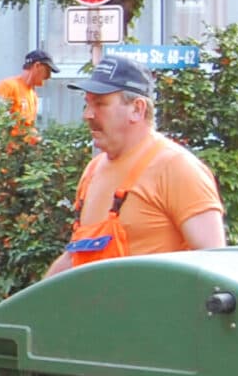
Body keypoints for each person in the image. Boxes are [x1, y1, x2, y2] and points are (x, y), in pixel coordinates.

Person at [45, 55, 226, 276]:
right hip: (97, 309)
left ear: (137, 109)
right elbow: (74, 259)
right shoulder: (93, 171)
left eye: (100, 104)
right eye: (87, 103)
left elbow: (214, 265)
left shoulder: (177, 167)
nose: (87, 115)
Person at [0, 49, 56, 137]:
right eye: (47, 71)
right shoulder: (8, 86)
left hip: (24, 148)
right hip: (8, 148)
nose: (48, 77)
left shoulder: (33, 95)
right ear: (37, 66)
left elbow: (29, 126)